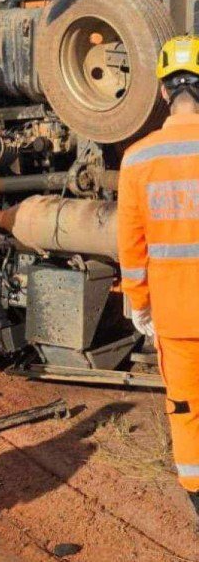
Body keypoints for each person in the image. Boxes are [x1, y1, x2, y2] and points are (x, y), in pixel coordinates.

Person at [118, 34, 199, 517]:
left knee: (187, 409)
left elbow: (132, 248)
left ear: (165, 92)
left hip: (176, 316)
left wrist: (140, 303)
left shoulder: (139, 158)